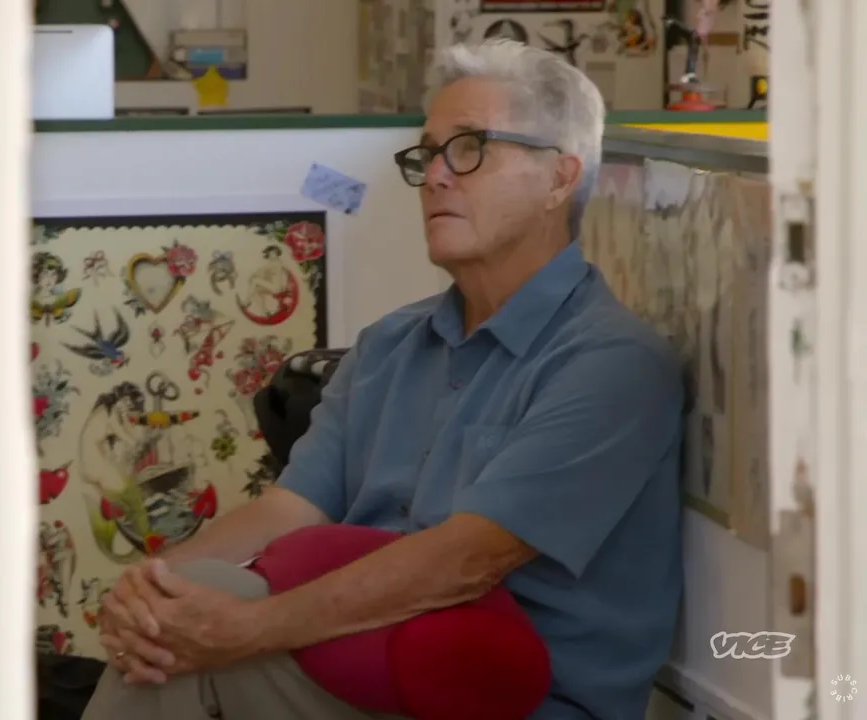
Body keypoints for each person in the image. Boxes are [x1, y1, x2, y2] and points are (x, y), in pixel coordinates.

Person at [83, 39, 684, 720]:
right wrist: (151, 587)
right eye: (428, 154)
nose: (436, 177)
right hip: (358, 664)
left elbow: (463, 562)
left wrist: (242, 630)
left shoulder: (613, 364)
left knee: (177, 662)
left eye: (469, 148)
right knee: (172, 622)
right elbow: (289, 509)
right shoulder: (391, 344)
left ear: (559, 179)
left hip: (507, 699)